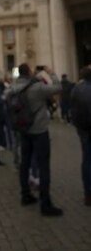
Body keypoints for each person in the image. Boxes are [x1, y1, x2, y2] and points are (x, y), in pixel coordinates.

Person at [7, 63, 63, 216]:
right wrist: (50, 73)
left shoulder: (12, 88)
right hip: (39, 130)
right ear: (29, 72)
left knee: (25, 163)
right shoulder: (36, 87)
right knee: (43, 165)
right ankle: (45, 203)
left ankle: (25, 195)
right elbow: (58, 87)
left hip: (23, 130)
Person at [70, 66, 91, 206]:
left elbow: (74, 110)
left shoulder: (76, 89)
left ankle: (88, 193)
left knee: (87, 160)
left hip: (84, 130)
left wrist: (78, 126)